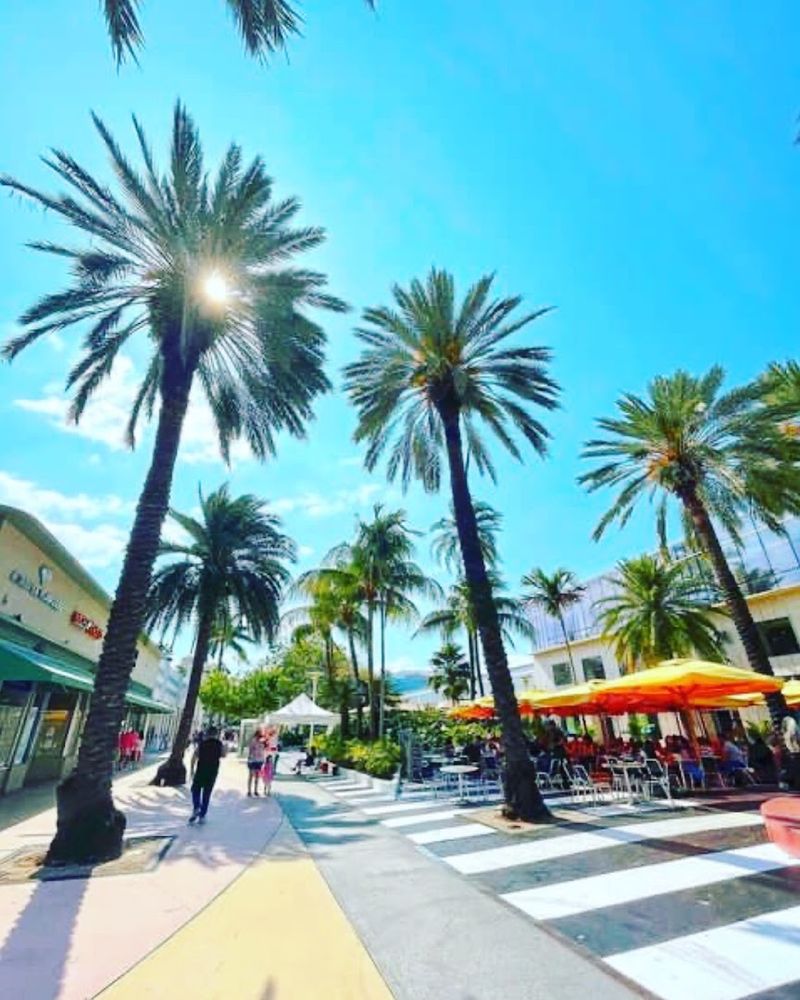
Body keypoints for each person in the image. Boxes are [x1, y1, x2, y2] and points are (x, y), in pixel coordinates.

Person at [189, 726, 225, 824]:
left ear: (207, 733)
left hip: (201, 770)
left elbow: (194, 757)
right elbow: (223, 754)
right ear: (216, 734)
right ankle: (202, 815)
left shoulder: (202, 744)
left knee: (195, 789)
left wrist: (192, 770)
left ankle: (196, 807)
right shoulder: (219, 744)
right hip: (212, 771)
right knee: (207, 793)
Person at [247, 729, 267, 796]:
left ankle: (253, 790)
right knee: (253, 776)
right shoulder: (254, 741)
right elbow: (251, 749)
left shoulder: (262, 741)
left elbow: (263, 749)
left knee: (255, 776)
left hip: (257, 760)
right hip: (254, 760)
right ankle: (251, 791)